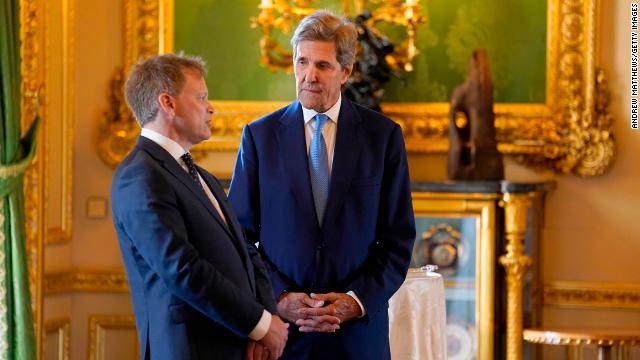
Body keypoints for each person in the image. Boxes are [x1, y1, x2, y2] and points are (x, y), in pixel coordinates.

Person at [228, 10, 416, 359]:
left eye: (323, 66)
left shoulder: (383, 137)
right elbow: (238, 237)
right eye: (302, 62)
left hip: (357, 338)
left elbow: (397, 239)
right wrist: (281, 298)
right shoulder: (259, 137)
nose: (309, 76)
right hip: (281, 336)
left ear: (346, 71)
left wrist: (355, 301)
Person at [111, 53, 288, 360]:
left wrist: (267, 320)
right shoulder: (139, 175)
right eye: (202, 97)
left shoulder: (200, 174)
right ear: (168, 103)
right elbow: (182, 269)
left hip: (240, 345)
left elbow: (246, 250)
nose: (211, 107)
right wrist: (260, 325)